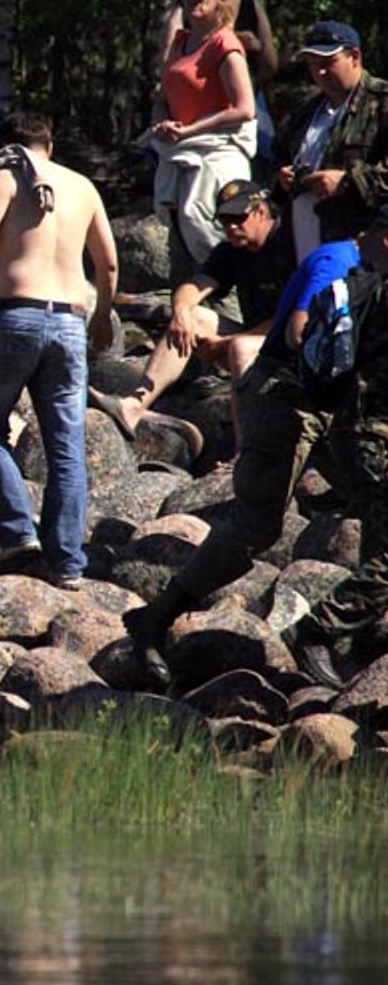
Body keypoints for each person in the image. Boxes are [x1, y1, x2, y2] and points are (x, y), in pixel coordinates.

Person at [125, 230, 365, 686]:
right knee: (256, 525)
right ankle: (156, 618)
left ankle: (338, 636)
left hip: (337, 408)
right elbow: (298, 333)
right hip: (287, 399)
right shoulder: (339, 261)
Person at [0, 112, 118, 590]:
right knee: (66, 449)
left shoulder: (6, 177)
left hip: (18, 316)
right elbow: (108, 263)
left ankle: (16, 530)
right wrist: (103, 314)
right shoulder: (82, 186)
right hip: (70, 320)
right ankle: (68, 562)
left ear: (8, 145)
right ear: (49, 143)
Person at [88, 178, 294, 440]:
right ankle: (134, 404)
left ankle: (243, 454)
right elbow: (196, 285)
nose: (230, 227)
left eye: (237, 218)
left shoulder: (288, 244)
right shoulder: (231, 250)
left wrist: (227, 342)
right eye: (224, 220)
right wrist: (182, 312)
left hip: (290, 340)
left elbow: (292, 315)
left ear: (261, 211)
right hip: (254, 335)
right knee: (194, 317)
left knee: (240, 348)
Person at [283, 209, 388, 688]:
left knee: (378, 540)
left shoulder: (358, 289)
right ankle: (319, 629)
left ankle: (362, 644)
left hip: (352, 431)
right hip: (375, 436)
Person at [150, 0, 256, 285]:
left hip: (218, 150)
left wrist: (189, 130)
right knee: (177, 224)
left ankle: (233, 291)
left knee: (208, 223)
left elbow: (244, 109)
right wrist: (162, 125)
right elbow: (163, 94)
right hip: (179, 148)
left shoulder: (225, 44)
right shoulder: (181, 41)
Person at [273, 21, 388, 259]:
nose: (320, 72)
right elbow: (276, 159)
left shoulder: (382, 103)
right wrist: (283, 178)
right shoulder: (305, 111)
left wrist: (347, 182)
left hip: (364, 250)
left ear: (354, 57)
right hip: (305, 242)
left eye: (328, 63)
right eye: (313, 65)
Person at [159, 0, 278, 155]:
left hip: (242, 99)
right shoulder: (184, 12)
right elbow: (166, 68)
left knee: (265, 149)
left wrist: (254, 47)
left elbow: (270, 65)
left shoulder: (251, 6)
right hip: (190, 102)